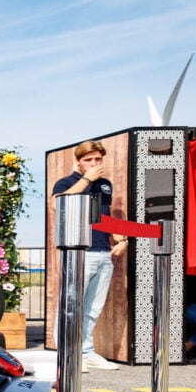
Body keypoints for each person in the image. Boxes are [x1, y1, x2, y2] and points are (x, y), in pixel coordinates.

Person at [51, 140, 128, 371]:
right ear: (78, 161)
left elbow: (103, 217)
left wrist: (122, 239)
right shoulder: (67, 182)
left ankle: (85, 352)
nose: (94, 164)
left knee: (93, 308)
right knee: (71, 304)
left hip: (103, 252)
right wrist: (87, 180)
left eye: (98, 159)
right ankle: (67, 354)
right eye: (88, 160)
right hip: (78, 252)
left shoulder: (105, 185)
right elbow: (58, 205)